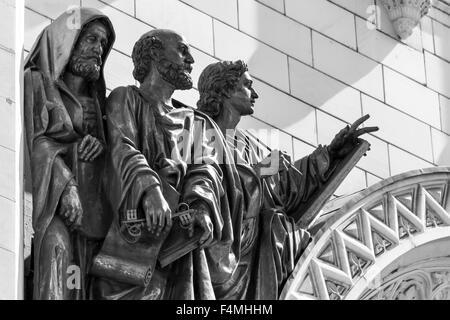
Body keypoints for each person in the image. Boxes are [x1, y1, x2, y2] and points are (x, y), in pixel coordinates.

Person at [197, 60, 378, 299]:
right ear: (226, 89)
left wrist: (331, 152)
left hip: (251, 250)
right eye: (247, 85)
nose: (256, 94)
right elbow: (201, 187)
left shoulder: (245, 145)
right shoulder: (196, 129)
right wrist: (258, 171)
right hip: (219, 253)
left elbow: (283, 191)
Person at [94, 29, 245, 300]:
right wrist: (150, 190)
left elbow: (206, 168)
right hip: (137, 239)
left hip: (180, 245)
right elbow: (122, 147)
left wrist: (200, 206)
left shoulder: (194, 121)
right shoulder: (124, 99)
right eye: (182, 51)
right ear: (155, 54)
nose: (190, 60)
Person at [23, 8, 116, 299]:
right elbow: (40, 142)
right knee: (57, 261)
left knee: (85, 286)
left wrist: (100, 148)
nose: (98, 49)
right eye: (90, 39)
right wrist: (67, 185)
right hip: (56, 206)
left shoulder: (99, 104)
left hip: (95, 214)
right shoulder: (36, 82)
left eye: (102, 43)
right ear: (68, 40)